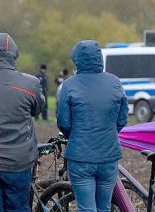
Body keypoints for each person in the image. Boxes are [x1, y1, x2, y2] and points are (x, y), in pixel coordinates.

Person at [57, 40, 129, 212]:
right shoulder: (114, 82)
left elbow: (64, 123)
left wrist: (74, 136)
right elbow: (122, 118)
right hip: (109, 155)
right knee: (104, 207)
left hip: (80, 156)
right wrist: (110, 132)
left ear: (77, 60)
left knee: (86, 208)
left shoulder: (69, 85)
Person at [0, 33, 43, 211]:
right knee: (18, 206)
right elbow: (37, 110)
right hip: (18, 161)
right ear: (14, 55)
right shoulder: (30, 83)